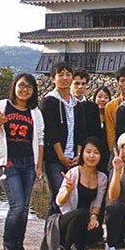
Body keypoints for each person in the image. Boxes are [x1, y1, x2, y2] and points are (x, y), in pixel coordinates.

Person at [0, 73, 44, 250]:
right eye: (21, 85)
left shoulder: (35, 112)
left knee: (24, 208)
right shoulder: (1, 106)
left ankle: (19, 245)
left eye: (29, 87)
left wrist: (39, 165)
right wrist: (0, 123)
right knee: (17, 205)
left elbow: (40, 140)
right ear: (14, 87)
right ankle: (8, 245)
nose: (24, 90)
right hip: (8, 163)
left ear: (33, 91)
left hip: (28, 163)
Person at [41, 62, 86, 218]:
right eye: (60, 75)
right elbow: (51, 133)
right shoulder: (49, 102)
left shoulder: (77, 104)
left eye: (68, 74)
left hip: (74, 157)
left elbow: (81, 132)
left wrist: (78, 155)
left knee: (73, 198)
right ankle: (50, 240)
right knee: (58, 198)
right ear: (53, 79)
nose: (65, 78)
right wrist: (61, 157)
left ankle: (65, 240)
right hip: (55, 159)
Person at [54, 137, 108, 250]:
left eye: (96, 153)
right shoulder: (73, 172)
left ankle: (78, 248)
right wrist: (68, 191)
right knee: (82, 213)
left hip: (84, 220)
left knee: (96, 230)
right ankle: (67, 248)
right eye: (88, 152)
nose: (91, 156)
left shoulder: (102, 178)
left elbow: (97, 204)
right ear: (82, 153)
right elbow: (59, 202)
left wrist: (94, 217)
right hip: (65, 218)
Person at [104, 66, 125, 151]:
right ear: (117, 84)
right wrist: (114, 151)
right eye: (122, 81)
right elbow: (110, 133)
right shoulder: (110, 106)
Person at [72, 68, 103, 146]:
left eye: (83, 84)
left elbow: (96, 133)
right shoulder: (64, 105)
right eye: (76, 83)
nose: (80, 87)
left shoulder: (93, 107)